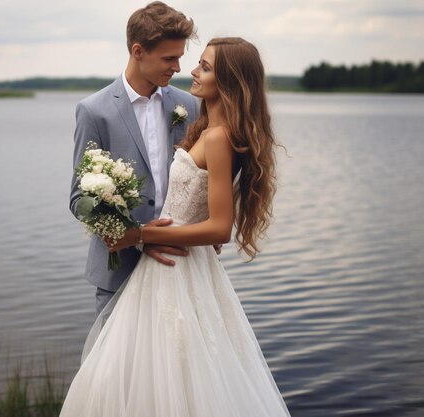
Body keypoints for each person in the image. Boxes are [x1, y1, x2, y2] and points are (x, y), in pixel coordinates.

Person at [60, 37, 291, 416]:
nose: (189, 71)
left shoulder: (210, 132)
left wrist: (141, 235)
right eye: (184, 60)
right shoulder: (202, 125)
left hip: (176, 266)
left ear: (230, 81)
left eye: (203, 66)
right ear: (138, 51)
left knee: (175, 377)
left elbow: (219, 228)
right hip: (158, 268)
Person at [69, 1, 203, 316]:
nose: (178, 68)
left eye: (180, 58)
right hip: (119, 275)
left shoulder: (191, 107)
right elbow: (79, 201)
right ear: (138, 51)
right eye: (169, 58)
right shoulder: (94, 111)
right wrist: (141, 237)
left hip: (180, 267)